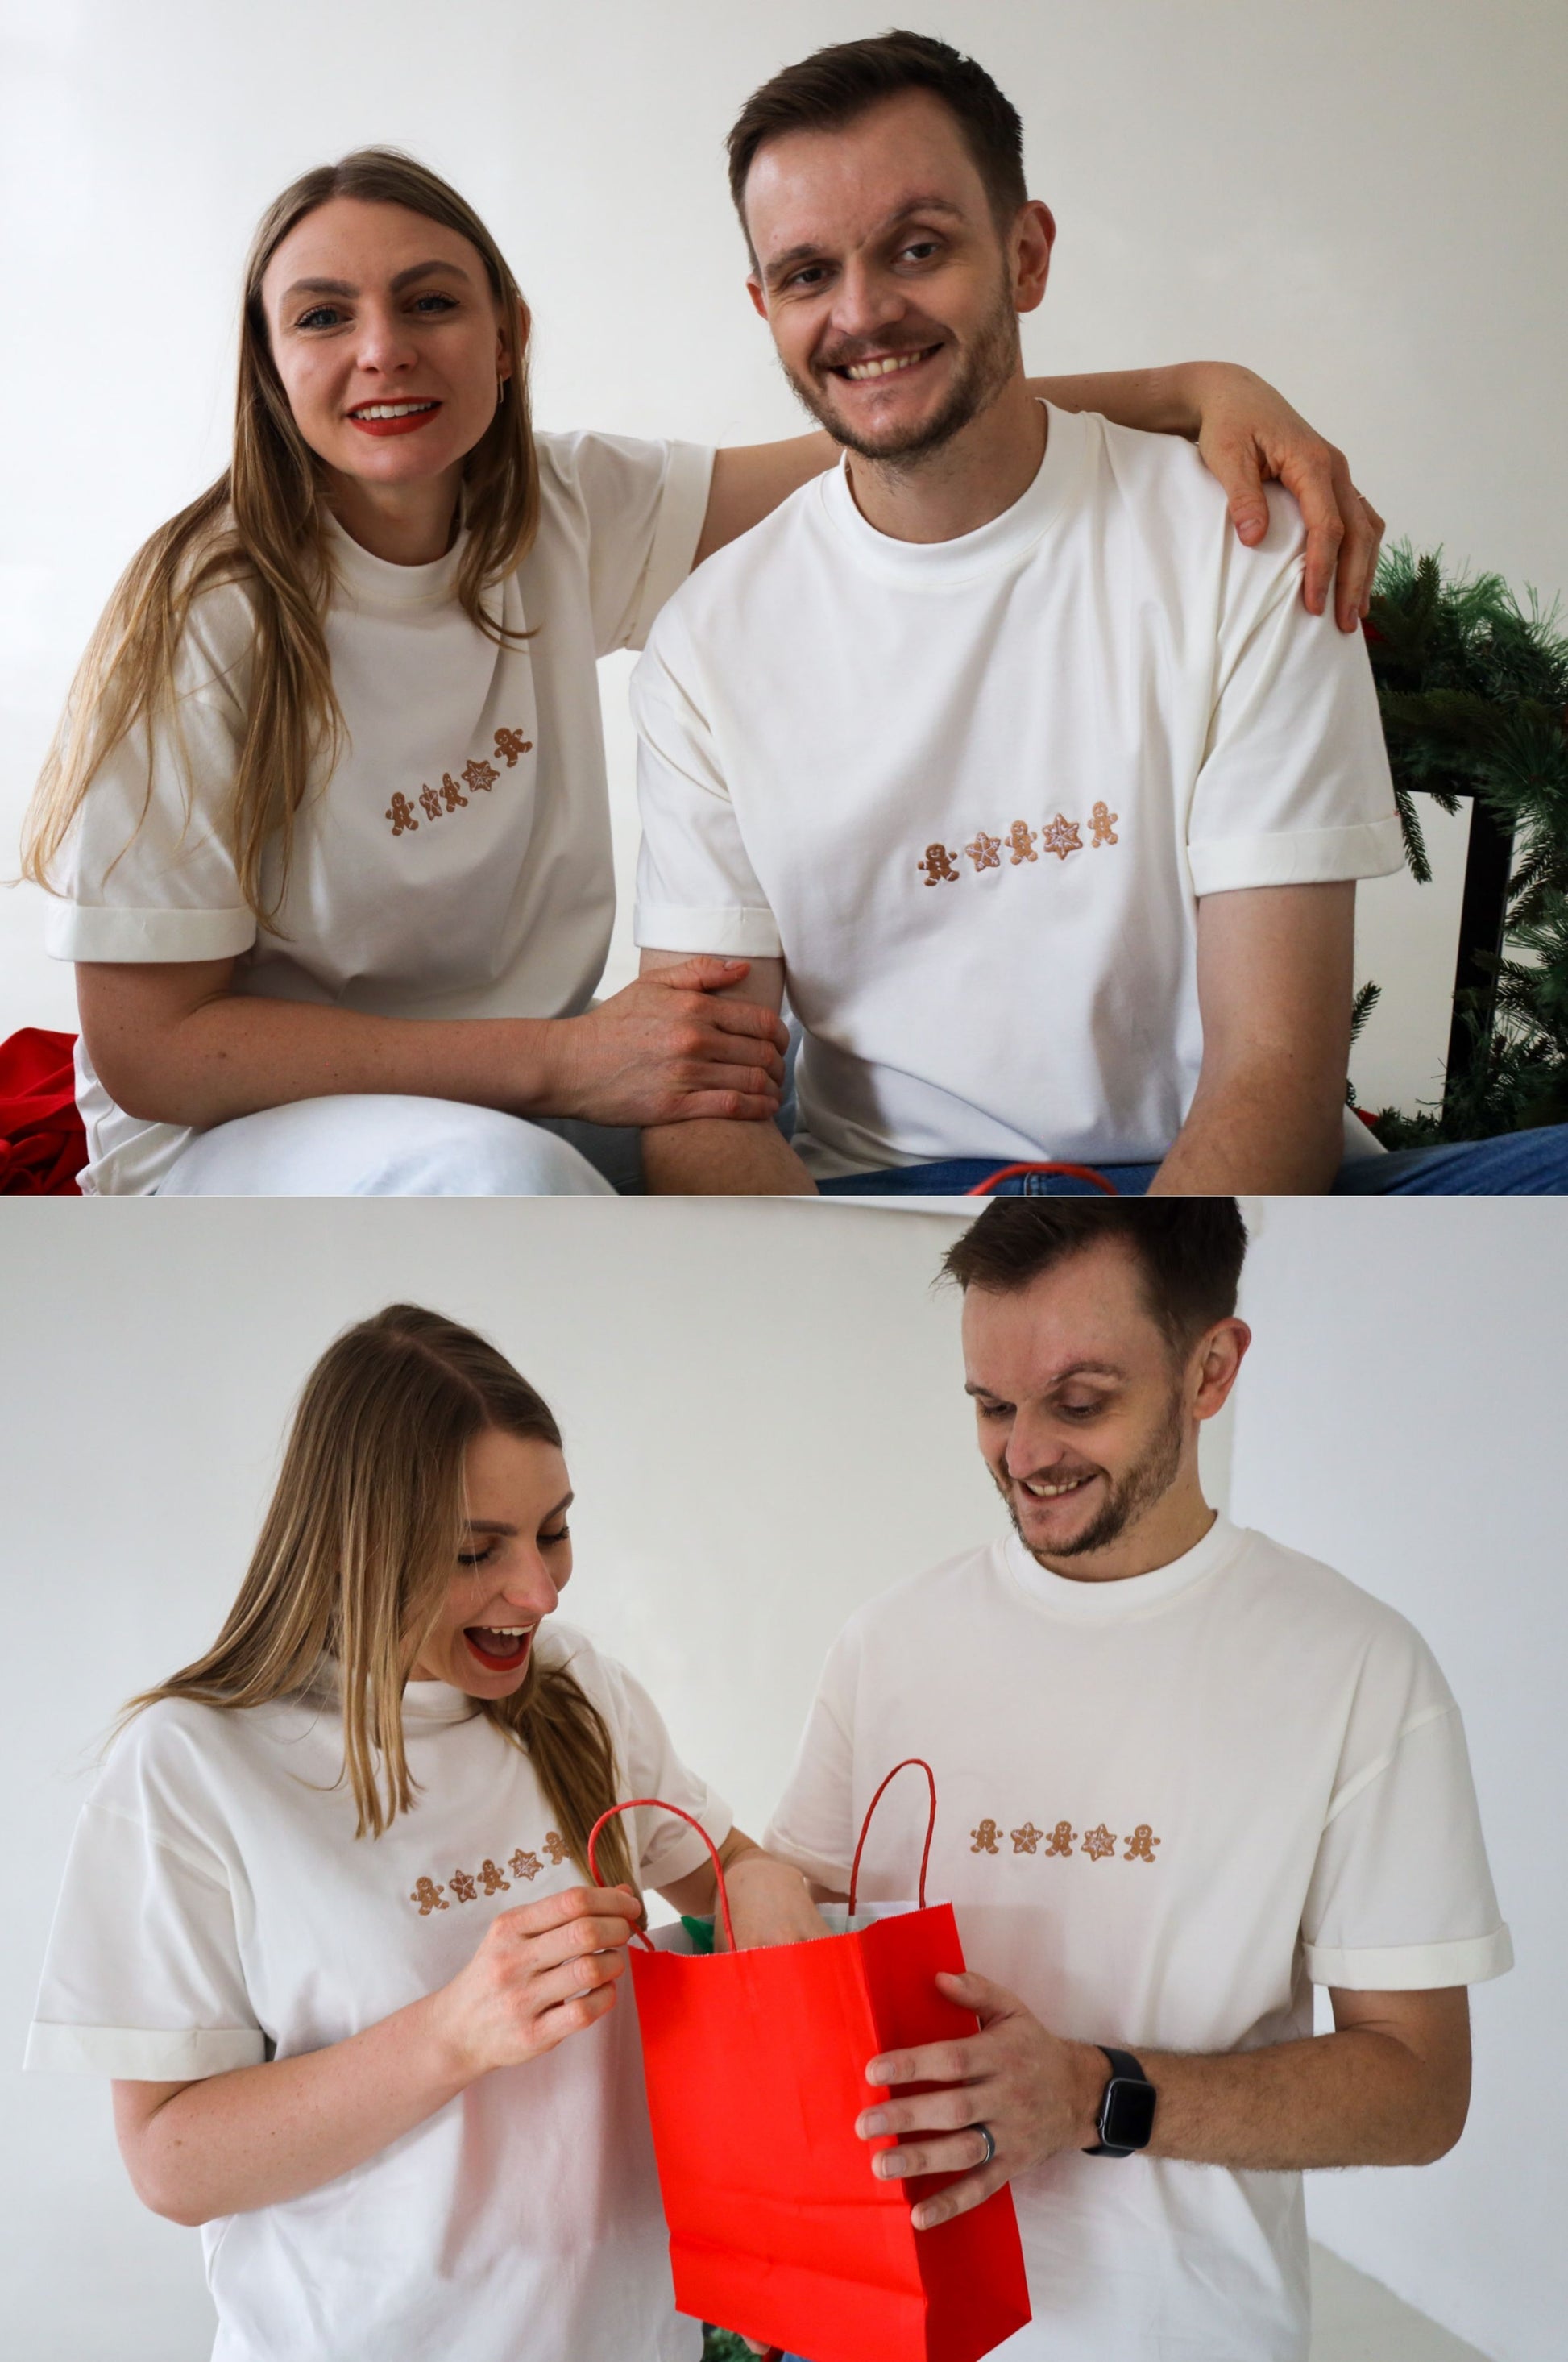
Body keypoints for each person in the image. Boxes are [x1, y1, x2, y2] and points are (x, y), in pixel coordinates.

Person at [19, 144, 1379, 1198]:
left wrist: (1198, 386)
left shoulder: (560, 514)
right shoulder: (207, 619)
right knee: (515, 1182)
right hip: (251, 1139)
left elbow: (887, 422)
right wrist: (566, 1058)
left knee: (722, 1143)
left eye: (429, 301)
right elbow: (151, 1053)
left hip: (516, 1097)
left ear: (507, 335)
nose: (382, 348)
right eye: (323, 317)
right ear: (269, 365)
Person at [632, 31, 1568, 1196]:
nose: (862, 312)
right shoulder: (705, 643)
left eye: (917, 249)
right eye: (808, 274)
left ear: (1025, 256)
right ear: (762, 303)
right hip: (886, 1207)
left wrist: (1143, 1304)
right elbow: (702, 1111)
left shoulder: (1241, 540)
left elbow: (1274, 1064)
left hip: (1226, 1181)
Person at [762, 1199, 1512, 2362]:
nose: (1023, 1455)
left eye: (1078, 1402)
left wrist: (1091, 2093)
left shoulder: (1354, 1663)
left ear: (1210, 1368)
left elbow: (1419, 2092)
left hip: (1179, 2331)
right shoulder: (888, 1641)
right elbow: (794, 1903)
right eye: (989, 1407)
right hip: (884, 2321)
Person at [23, 1305, 823, 2362]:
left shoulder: (576, 1690)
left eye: (554, 1530)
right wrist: (451, 2034)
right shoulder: (194, 1763)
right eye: (474, 1552)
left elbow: (725, 1874)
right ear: (357, 1544)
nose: (536, 1591)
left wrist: (765, 1888)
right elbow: (172, 2166)